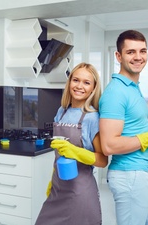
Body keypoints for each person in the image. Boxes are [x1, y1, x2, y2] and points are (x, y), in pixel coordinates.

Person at [99, 30, 148, 225]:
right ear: (118, 56)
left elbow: (133, 131)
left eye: (142, 51)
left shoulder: (133, 88)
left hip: (142, 173)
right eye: (131, 52)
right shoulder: (115, 92)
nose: (138, 57)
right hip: (129, 176)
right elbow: (108, 145)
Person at [35, 62, 108, 225]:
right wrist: (52, 180)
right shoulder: (62, 112)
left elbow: (103, 160)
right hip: (58, 187)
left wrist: (74, 151)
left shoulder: (92, 118)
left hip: (80, 191)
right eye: (76, 80)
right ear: (69, 83)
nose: (79, 86)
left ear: (93, 88)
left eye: (86, 82)